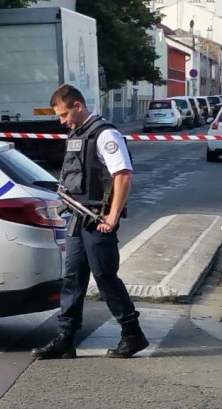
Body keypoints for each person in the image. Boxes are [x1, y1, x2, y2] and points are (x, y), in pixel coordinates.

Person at [32, 84, 149, 360]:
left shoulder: (105, 134)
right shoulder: (78, 133)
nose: (62, 121)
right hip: (77, 217)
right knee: (72, 278)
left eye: (63, 115)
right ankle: (66, 338)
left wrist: (112, 215)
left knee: (105, 277)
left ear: (78, 106)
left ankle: (132, 334)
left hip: (97, 220)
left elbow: (122, 174)